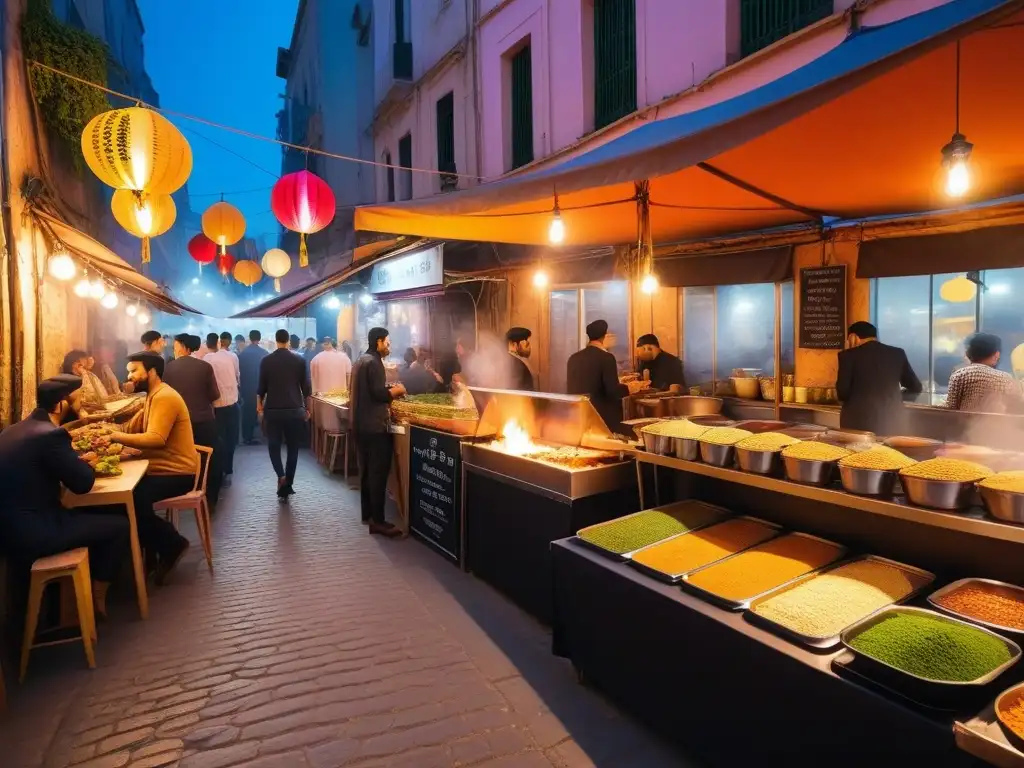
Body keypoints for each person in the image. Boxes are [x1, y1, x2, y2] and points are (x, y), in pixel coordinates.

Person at [0, 377, 130, 618]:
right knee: (120, 524)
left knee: (96, 517)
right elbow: (83, 484)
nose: (79, 406)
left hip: (10, 530)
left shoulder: (14, 429)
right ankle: (95, 599)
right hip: (36, 532)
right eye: (77, 401)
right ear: (60, 405)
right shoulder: (51, 435)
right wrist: (88, 463)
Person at [108, 353, 194, 584]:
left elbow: (156, 438)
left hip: (177, 472)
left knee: (130, 500)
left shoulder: (164, 397)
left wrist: (114, 436)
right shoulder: (151, 396)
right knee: (128, 500)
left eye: (134, 370)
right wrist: (106, 429)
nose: (129, 376)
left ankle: (172, 544)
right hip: (159, 468)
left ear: (152, 371)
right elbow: (131, 427)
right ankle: (151, 556)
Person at [350, 327, 406, 537]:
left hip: (360, 425)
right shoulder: (374, 362)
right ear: (378, 342)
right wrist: (396, 391)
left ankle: (368, 515)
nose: (388, 346)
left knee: (365, 472)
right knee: (377, 474)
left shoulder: (361, 360)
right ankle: (379, 521)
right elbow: (378, 393)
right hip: (374, 426)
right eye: (387, 342)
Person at [164, 333, 222, 504]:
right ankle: (209, 499)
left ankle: (183, 494)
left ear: (183, 347)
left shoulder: (167, 369)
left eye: (175, 347)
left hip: (178, 425)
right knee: (210, 459)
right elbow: (214, 395)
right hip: (203, 421)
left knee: (180, 459)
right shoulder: (204, 367)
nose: (174, 350)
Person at [836, 321, 923, 434]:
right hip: (892, 421)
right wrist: (893, 397)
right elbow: (916, 387)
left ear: (853, 337)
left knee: (860, 451)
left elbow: (842, 393)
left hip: (857, 423)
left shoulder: (847, 356)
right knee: (889, 451)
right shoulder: (897, 354)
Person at [258, 329, 312, 498]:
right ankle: (288, 483)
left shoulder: (266, 361)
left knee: (273, 445)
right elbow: (306, 389)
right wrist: (307, 409)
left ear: (276, 340)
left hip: (273, 410)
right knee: (293, 448)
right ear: (288, 340)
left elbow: (261, 389)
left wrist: (259, 408)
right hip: (295, 410)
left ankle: (280, 476)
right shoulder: (299, 360)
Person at [568, 320, 647, 433]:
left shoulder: (574, 358)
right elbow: (612, 391)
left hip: (578, 416)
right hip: (602, 420)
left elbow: (584, 383)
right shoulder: (607, 358)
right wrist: (630, 388)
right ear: (604, 337)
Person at [946, 332, 1024, 413]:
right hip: (996, 424)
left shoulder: (959, 375)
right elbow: (1017, 407)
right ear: (996, 355)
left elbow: (951, 407)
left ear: (967, 354)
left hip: (962, 424)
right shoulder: (1005, 378)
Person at [210, 332, 241, 485]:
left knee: (218, 439)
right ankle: (228, 470)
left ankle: (219, 471)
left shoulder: (207, 359)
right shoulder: (233, 357)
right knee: (231, 439)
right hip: (232, 404)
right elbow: (237, 376)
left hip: (216, 407)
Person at [239, 330, 269, 444]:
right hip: (261, 387)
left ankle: (247, 437)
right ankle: (262, 435)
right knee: (261, 411)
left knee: (247, 412)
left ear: (249, 338)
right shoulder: (265, 353)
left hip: (246, 388)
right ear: (259, 338)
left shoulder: (242, 354)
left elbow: (239, 373)